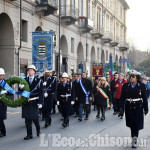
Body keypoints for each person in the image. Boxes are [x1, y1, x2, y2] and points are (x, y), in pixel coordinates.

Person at [119, 73, 148, 148]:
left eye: (133, 77)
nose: (131, 78)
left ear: (136, 78)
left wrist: (146, 108)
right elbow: (122, 97)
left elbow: (145, 98)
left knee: (136, 124)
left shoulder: (141, 85)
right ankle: (133, 138)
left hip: (138, 107)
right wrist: (121, 108)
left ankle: (135, 140)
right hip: (129, 106)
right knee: (131, 124)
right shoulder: (126, 85)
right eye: (130, 77)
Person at [22, 65, 44, 140]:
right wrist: (20, 87)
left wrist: (41, 102)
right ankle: (29, 134)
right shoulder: (24, 80)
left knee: (35, 119)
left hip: (34, 101)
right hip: (26, 102)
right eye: (29, 70)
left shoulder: (38, 81)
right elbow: (22, 92)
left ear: (34, 71)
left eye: (31, 70)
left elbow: (41, 92)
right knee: (27, 119)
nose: (30, 71)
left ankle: (38, 130)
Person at [0, 68, 7, 137]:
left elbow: (11, 92)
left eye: (0, 75)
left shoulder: (5, 82)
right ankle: (3, 131)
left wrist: (5, 92)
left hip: (2, 103)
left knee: (1, 118)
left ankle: (2, 132)